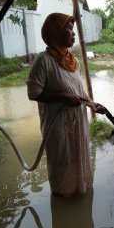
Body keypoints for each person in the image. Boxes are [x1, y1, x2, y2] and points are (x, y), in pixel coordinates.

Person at [27, 13, 104, 197]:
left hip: (78, 124)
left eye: (72, 30)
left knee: (79, 158)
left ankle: (80, 197)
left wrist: (91, 104)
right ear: (55, 33)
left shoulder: (72, 61)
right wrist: (62, 96)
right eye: (69, 30)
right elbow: (33, 93)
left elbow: (77, 90)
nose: (73, 34)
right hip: (58, 127)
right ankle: (62, 200)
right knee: (62, 162)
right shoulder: (43, 61)